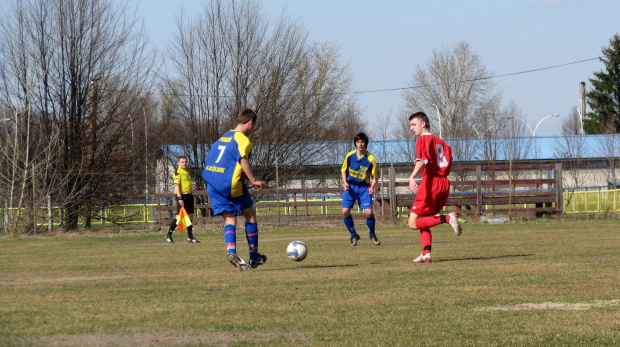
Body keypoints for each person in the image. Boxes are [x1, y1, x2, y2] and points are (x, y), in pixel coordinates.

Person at [202, 109, 267, 270]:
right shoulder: (243, 140)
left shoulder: (224, 137)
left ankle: (231, 250)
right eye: (254, 127)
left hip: (211, 182)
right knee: (250, 215)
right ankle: (254, 257)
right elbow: (242, 160)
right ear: (250, 122)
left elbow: (228, 163)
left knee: (229, 219)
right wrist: (253, 180)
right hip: (228, 184)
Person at [407, 112, 462, 263]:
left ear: (423, 123)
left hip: (430, 182)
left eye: (414, 124)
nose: (411, 128)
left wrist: (412, 176)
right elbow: (447, 160)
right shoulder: (443, 142)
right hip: (444, 182)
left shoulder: (422, 139)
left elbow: (422, 159)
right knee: (424, 219)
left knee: (412, 223)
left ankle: (447, 218)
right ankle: (426, 253)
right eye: (410, 125)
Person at [341, 132, 380, 246]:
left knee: (369, 212)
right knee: (345, 211)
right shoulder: (350, 156)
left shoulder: (371, 159)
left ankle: (372, 234)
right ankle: (353, 234)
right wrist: (345, 182)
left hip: (363, 188)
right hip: (351, 187)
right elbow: (343, 170)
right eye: (358, 142)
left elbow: (375, 177)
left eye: (362, 142)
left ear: (365, 143)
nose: (360, 144)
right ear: (355, 143)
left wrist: (372, 187)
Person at [165, 155, 200, 243]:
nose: (184, 163)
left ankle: (190, 237)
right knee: (179, 216)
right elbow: (177, 186)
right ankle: (168, 235)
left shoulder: (187, 171)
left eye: (185, 162)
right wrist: (180, 198)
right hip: (182, 196)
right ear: (178, 163)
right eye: (182, 162)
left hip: (188, 196)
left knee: (190, 216)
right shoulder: (178, 172)